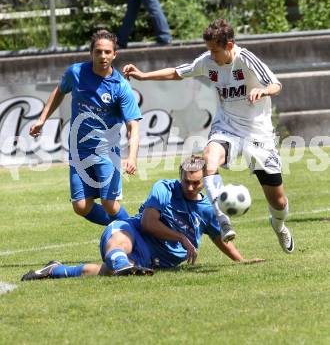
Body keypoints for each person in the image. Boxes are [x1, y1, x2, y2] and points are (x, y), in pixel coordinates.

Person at [122, 18, 294, 254]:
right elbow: (177, 73)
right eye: (209, 50)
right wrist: (143, 76)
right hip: (227, 128)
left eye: (215, 50)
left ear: (230, 45)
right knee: (209, 158)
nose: (211, 55)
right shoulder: (208, 62)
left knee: (279, 201)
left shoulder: (245, 59)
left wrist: (263, 90)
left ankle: (279, 224)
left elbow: (276, 84)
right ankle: (222, 220)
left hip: (258, 135)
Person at [21, 155, 264, 281]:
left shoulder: (209, 209)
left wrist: (240, 260)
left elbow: (219, 236)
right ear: (180, 177)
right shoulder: (164, 188)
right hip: (135, 233)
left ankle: (55, 270)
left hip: (154, 261)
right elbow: (148, 223)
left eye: (196, 183)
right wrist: (180, 237)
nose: (190, 187)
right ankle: (122, 263)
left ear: (205, 182)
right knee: (121, 238)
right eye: (186, 182)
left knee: (105, 272)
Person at [29, 30, 141, 226]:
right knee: (80, 206)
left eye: (107, 52)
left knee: (110, 204)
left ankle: (133, 231)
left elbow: (133, 125)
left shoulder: (120, 86)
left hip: (106, 151)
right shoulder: (76, 73)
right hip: (78, 150)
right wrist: (42, 119)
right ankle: (129, 226)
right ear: (91, 53)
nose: (103, 56)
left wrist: (131, 157)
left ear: (115, 54)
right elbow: (60, 91)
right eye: (98, 52)